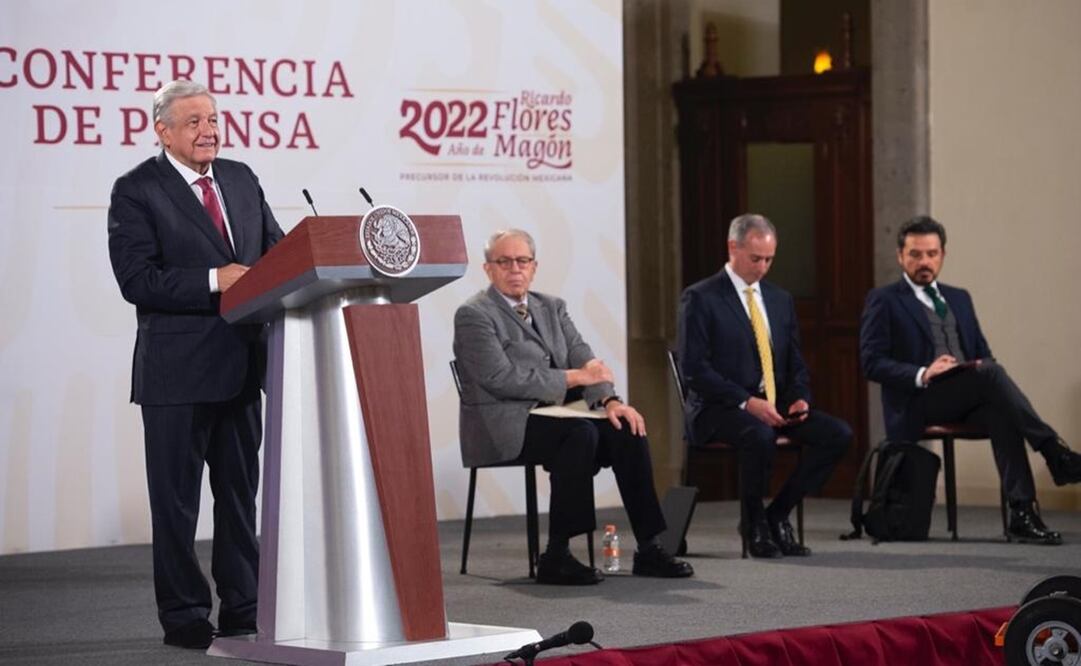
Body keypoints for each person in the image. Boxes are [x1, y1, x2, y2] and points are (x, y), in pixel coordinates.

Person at [107, 80, 284, 648]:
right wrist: (214, 280)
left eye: (213, 118)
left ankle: (245, 608)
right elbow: (137, 281)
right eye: (194, 122)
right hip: (175, 375)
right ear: (162, 131)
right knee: (176, 506)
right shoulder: (136, 190)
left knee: (238, 499)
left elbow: (277, 252)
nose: (209, 130)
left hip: (240, 367)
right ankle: (184, 617)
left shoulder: (240, 177)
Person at [453, 229, 693, 585]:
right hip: (503, 422)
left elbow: (584, 358)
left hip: (555, 414)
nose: (514, 269)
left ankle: (649, 546)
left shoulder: (552, 307)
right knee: (578, 433)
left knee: (625, 426)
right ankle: (557, 554)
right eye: (504, 262)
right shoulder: (473, 314)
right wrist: (571, 379)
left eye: (522, 261)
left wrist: (610, 401)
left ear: (534, 267)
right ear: (488, 269)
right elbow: (500, 378)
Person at [859, 215, 1081, 545]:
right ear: (900, 256)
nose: (924, 262)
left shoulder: (959, 297)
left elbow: (982, 353)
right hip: (921, 399)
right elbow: (871, 362)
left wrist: (972, 370)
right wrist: (924, 372)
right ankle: (1052, 450)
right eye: (916, 254)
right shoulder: (885, 299)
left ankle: (1023, 513)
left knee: (1000, 409)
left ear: (943, 255)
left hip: (967, 393)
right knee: (990, 375)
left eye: (931, 254)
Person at [677, 214, 851, 558]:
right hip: (719, 408)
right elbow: (695, 370)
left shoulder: (779, 299)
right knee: (759, 435)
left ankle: (778, 513)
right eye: (756, 259)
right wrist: (747, 402)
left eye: (770, 259)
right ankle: (754, 523)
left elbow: (795, 363)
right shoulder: (700, 298)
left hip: (774, 403)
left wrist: (800, 397)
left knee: (838, 435)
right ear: (733, 247)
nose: (763, 267)